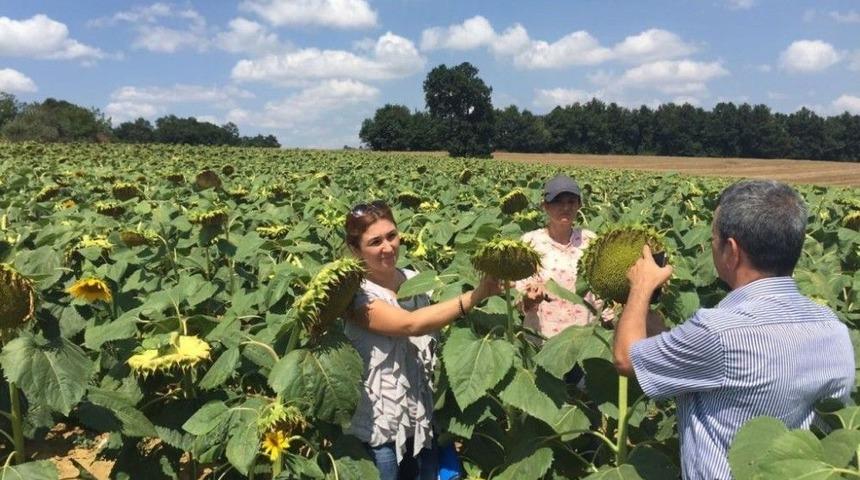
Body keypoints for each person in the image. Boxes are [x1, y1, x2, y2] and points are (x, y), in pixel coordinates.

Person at [614, 179, 855, 479]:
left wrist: (640, 288)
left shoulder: (717, 333)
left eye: (713, 238)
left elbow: (626, 358)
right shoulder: (833, 328)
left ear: (731, 250)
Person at [344, 200, 502, 480]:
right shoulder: (353, 295)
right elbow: (411, 324)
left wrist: (511, 296)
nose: (388, 247)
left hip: (420, 420)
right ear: (356, 250)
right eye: (375, 242)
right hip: (379, 427)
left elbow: (444, 314)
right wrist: (476, 295)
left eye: (392, 236)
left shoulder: (416, 280)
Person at [516, 173, 613, 338]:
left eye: (571, 202)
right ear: (545, 206)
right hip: (542, 339)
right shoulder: (530, 242)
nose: (566, 207)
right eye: (558, 202)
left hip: (585, 337)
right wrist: (529, 299)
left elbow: (602, 291)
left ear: (579, 205)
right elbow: (519, 295)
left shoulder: (590, 241)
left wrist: (610, 321)